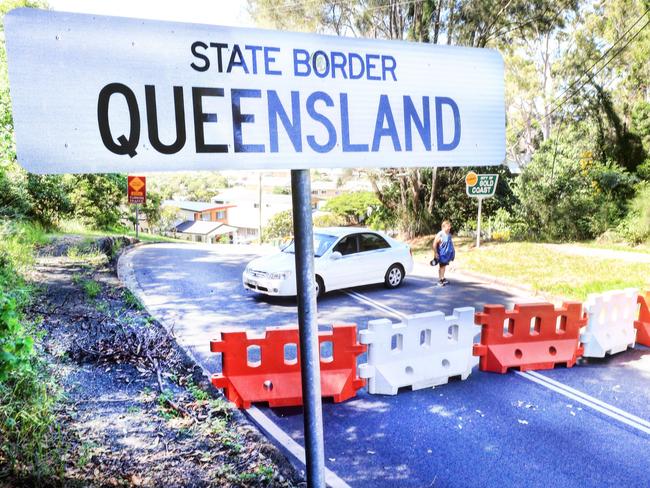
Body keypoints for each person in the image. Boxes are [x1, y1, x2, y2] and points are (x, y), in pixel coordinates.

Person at [433, 220, 455, 287]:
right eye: (448, 227)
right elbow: (434, 244)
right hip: (441, 254)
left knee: (444, 266)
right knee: (441, 267)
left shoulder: (448, 234)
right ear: (443, 227)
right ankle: (440, 280)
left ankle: (443, 278)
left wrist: (452, 252)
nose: (449, 228)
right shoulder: (440, 235)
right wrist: (436, 253)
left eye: (449, 227)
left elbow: (450, 244)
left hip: (447, 255)